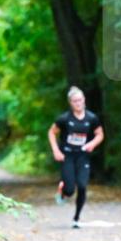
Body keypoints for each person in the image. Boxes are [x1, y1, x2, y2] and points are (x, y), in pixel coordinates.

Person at [48, 86, 104, 228]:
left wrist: (92, 144)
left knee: (83, 186)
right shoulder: (65, 119)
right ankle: (63, 190)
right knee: (70, 191)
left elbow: (100, 134)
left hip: (83, 156)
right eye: (75, 101)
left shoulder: (91, 118)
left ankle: (76, 218)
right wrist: (56, 150)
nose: (78, 103)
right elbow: (51, 132)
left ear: (84, 100)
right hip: (67, 155)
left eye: (80, 100)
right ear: (70, 103)